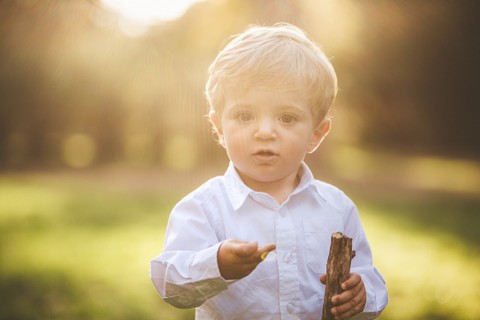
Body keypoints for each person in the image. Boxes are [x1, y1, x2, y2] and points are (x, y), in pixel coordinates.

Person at [150, 23, 388, 320]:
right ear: (219, 127)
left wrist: (362, 295)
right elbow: (170, 284)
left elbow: (369, 276)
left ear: (316, 133)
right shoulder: (204, 207)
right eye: (245, 115)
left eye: (287, 118)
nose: (265, 131)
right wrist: (217, 264)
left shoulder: (337, 208)